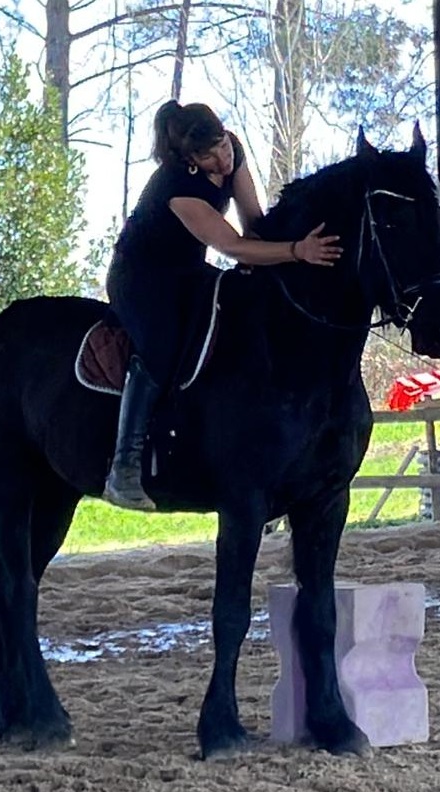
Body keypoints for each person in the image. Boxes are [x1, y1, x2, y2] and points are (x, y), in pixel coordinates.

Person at [103, 100, 343, 511]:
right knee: (159, 349)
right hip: (142, 276)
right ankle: (123, 467)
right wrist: (298, 251)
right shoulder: (176, 187)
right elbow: (234, 246)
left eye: (222, 146)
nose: (222, 159)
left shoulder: (233, 149)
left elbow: (253, 224)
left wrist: (282, 260)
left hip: (190, 270)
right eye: (209, 155)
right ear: (188, 159)